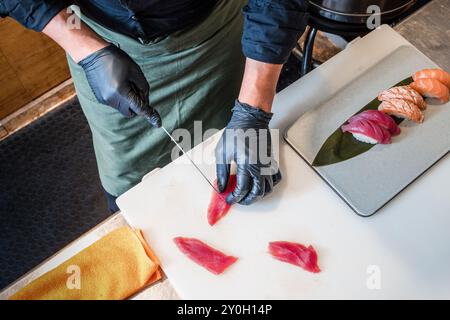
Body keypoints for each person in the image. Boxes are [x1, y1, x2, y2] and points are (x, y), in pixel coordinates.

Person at [1, 0, 309, 212]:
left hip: (215, 31)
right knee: (134, 189)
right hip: (101, 38)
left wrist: (253, 107)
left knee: (221, 154)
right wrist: (84, 47)